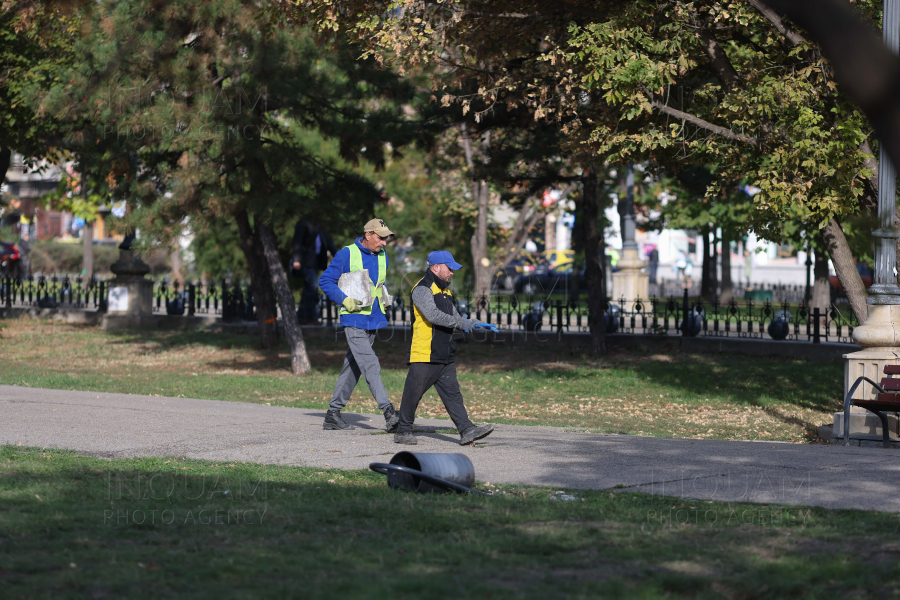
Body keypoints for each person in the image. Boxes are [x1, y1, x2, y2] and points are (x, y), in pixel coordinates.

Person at [394, 250, 497, 446]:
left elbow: (455, 317)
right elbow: (433, 315)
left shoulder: (445, 291)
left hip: (445, 352)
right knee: (413, 393)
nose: (451, 273)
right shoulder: (422, 289)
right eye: (449, 268)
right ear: (436, 267)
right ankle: (403, 431)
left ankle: (467, 430)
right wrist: (461, 324)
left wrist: (472, 322)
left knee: (453, 394)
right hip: (426, 353)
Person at [318, 218, 400, 432]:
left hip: (372, 319)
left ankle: (333, 415)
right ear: (368, 235)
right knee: (370, 363)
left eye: (386, 238)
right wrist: (343, 299)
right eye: (381, 237)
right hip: (353, 319)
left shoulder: (383, 256)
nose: (384, 242)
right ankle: (389, 412)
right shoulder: (347, 253)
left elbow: (376, 285)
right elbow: (325, 280)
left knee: (353, 367)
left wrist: (385, 297)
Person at [291, 220, 336, 324]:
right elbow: (297, 242)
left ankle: (304, 316)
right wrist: (296, 259)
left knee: (309, 289)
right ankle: (309, 316)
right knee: (313, 287)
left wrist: (339, 256)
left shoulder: (320, 226)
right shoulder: (304, 224)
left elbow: (329, 243)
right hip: (305, 261)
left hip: (315, 261)